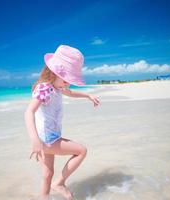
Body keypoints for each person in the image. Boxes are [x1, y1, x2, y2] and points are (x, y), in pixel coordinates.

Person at [25, 45, 100, 200]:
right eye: (66, 80)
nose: (68, 84)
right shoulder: (44, 88)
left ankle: (43, 197)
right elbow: (28, 112)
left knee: (47, 174)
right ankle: (59, 183)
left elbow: (70, 93)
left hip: (45, 139)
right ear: (54, 72)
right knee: (81, 151)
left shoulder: (57, 87)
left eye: (69, 81)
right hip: (47, 140)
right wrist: (35, 140)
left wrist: (87, 95)